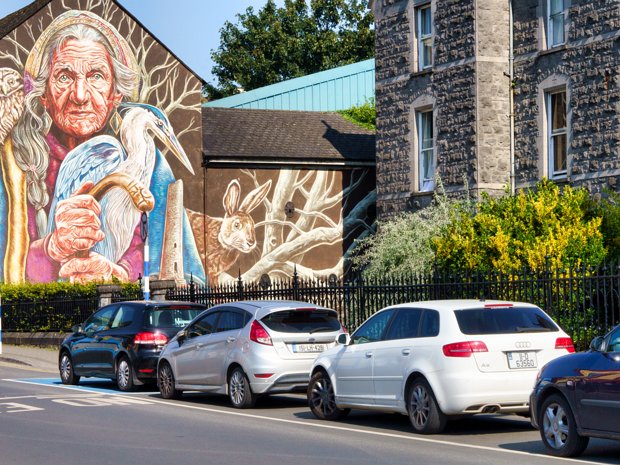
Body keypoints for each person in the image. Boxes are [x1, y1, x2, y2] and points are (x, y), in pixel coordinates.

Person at [2, 10, 204, 284]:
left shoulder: (152, 166)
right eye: (64, 77)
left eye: (96, 76)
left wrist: (116, 275)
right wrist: (53, 247)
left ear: (116, 94)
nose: (80, 95)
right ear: (45, 95)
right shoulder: (16, 163)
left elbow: (182, 273)